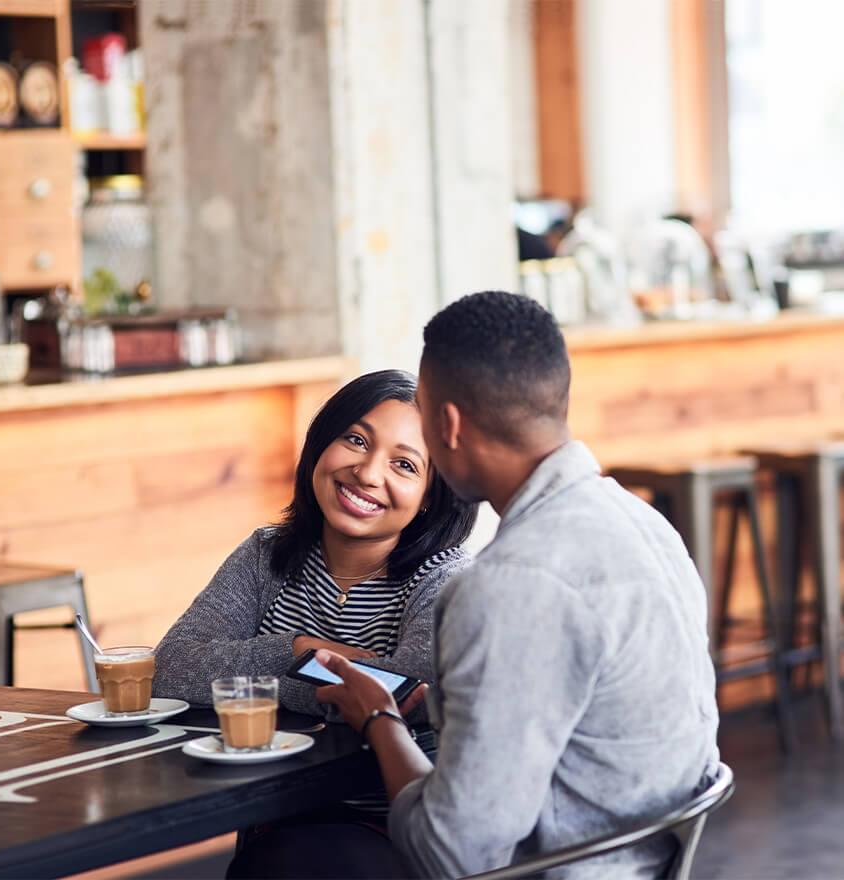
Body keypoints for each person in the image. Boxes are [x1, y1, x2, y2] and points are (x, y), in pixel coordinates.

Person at [316, 291, 721, 878]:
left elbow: (450, 856)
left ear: (447, 424)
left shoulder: (509, 585)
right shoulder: (642, 523)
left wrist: (380, 718)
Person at [152, 368, 477, 719]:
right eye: (356, 441)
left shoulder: (446, 580)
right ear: (322, 444)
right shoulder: (266, 553)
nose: (367, 474)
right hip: (251, 769)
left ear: (430, 494)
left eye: (403, 465)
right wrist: (295, 650)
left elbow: (407, 696)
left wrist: (266, 686)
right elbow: (169, 668)